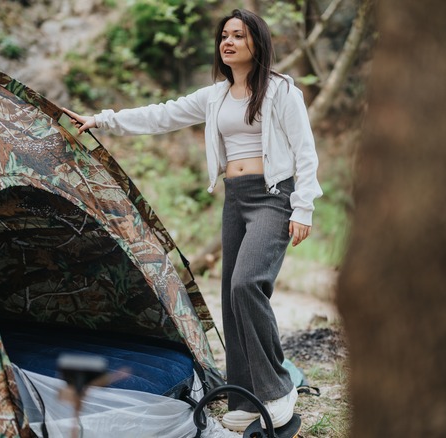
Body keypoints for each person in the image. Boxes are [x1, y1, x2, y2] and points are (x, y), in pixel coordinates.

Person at [63, 8, 322, 432]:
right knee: (231, 297)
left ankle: (277, 388)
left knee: (247, 285)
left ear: (257, 42)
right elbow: (160, 114)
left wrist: (303, 207)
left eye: (238, 35)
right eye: (224, 35)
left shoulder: (281, 92)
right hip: (235, 199)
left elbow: (306, 152)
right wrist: (103, 120)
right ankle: (244, 395)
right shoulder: (215, 96)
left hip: (275, 197)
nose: (228, 41)